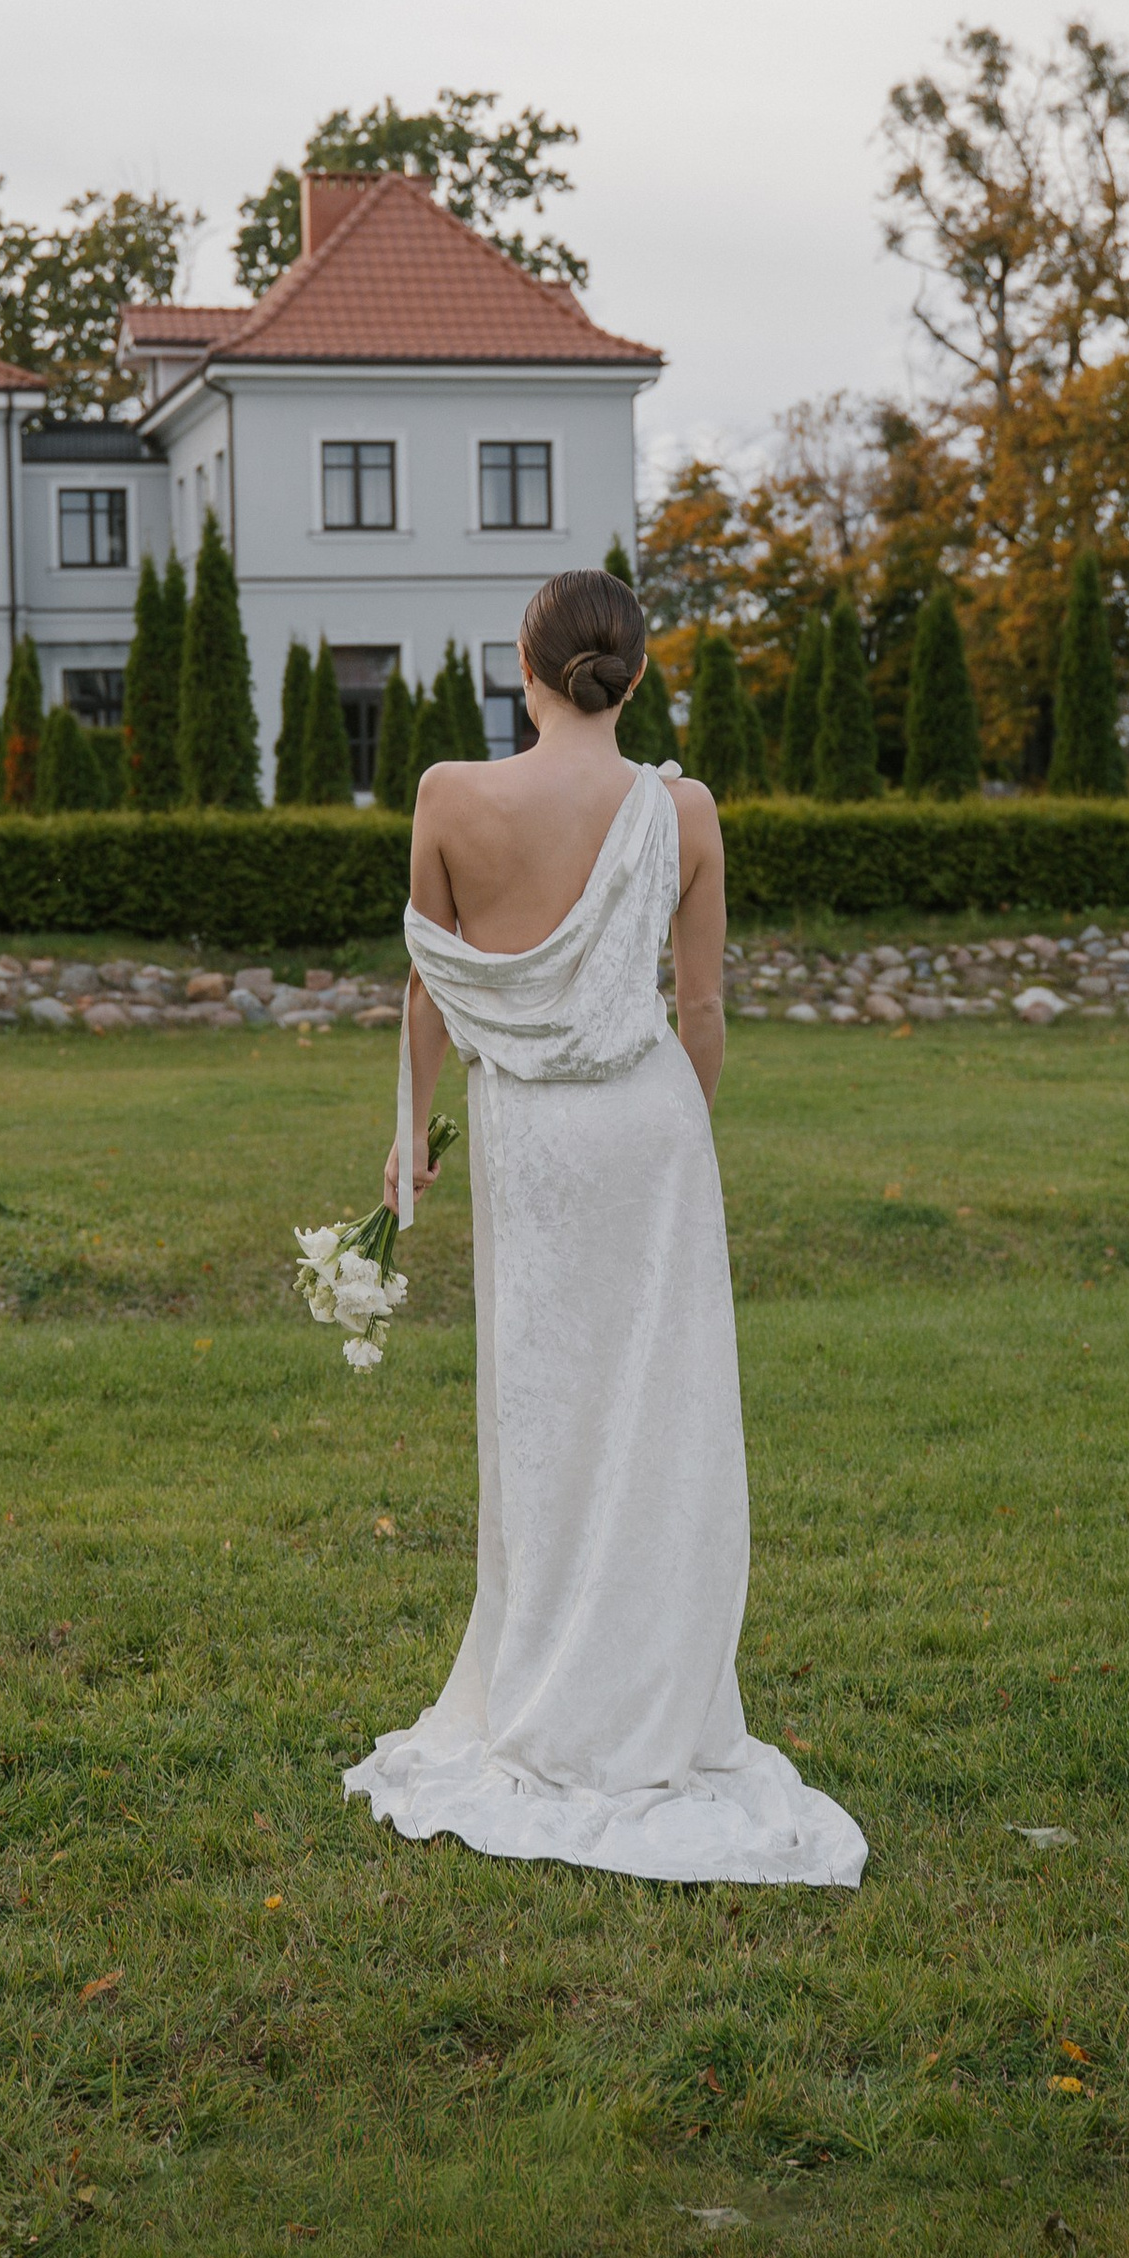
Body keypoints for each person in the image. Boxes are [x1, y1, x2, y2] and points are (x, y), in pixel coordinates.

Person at [342, 566, 866, 1888]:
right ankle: (653, 1696)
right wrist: (678, 1150)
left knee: (548, 1412)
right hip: (648, 1133)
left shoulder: (450, 796)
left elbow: (430, 984)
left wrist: (410, 1140)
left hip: (529, 1137)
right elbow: (701, 1019)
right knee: (658, 1417)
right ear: (635, 675)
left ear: (525, 668)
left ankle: (551, 1689)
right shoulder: (683, 810)